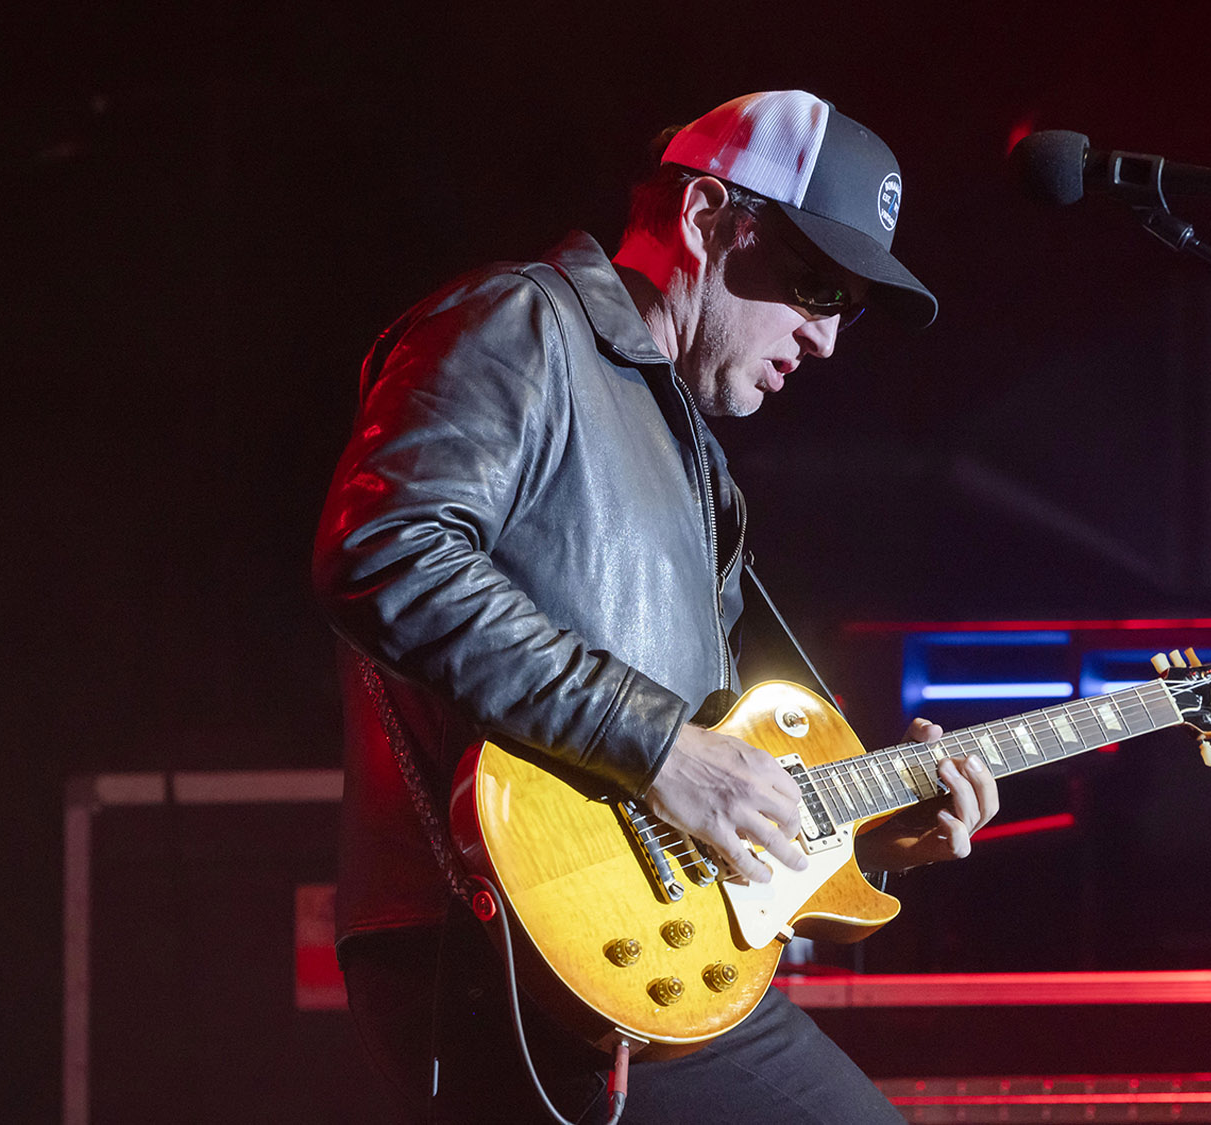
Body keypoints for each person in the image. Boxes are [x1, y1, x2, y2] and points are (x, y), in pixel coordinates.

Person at [313, 90, 1000, 1124]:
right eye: (815, 289)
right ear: (707, 217)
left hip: (636, 947)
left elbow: (711, 769)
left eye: (846, 310)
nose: (825, 341)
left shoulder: (697, 461)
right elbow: (383, 548)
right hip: (495, 933)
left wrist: (852, 840)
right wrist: (662, 750)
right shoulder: (521, 325)